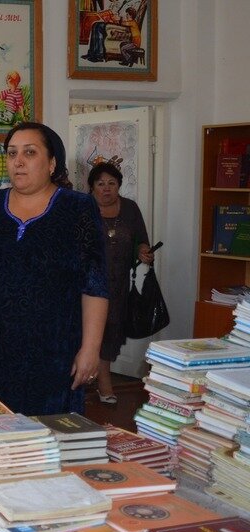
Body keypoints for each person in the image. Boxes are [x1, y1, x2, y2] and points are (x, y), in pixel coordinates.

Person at [0, 122, 109, 416]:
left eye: (30, 152)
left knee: (46, 436)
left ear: (52, 163)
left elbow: (95, 284)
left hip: (52, 354)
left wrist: (91, 348)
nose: (18, 161)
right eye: (12, 153)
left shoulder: (77, 209)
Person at [88, 162, 153, 403]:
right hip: (87, 284)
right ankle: (89, 377)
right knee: (87, 330)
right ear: (92, 187)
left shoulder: (130, 209)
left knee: (112, 329)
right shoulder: (82, 208)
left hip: (118, 284)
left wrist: (143, 251)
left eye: (111, 183)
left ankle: (102, 377)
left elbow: (141, 240)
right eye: (100, 184)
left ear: (119, 186)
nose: (106, 188)